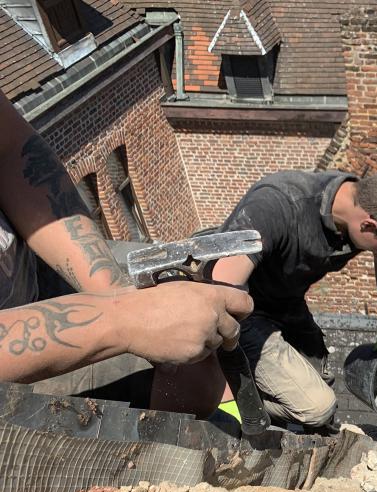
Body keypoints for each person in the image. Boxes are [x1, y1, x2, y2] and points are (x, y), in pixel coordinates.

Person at [0, 91, 253, 418]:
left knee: (197, 374)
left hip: (35, 278)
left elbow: (11, 150)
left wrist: (116, 292)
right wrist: (124, 319)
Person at [211, 169, 377, 432]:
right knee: (318, 409)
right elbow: (219, 293)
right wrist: (227, 381)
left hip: (283, 302)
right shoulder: (277, 207)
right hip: (240, 309)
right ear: (368, 226)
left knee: (321, 381)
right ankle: (224, 400)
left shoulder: (366, 206)